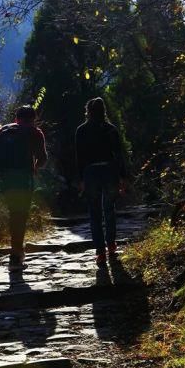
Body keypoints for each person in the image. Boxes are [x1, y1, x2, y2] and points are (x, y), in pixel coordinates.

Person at [0, 105, 48, 270]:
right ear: (33, 118)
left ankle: (16, 254)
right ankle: (15, 257)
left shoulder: (2, 131)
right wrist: (34, 167)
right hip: (24, 180)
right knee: (20, 216)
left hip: (6, 181)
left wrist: (3, 172)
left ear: (16, 118)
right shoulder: (34, 132)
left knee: (14, 214)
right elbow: (42, 158)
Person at [75, 96, 128, 266]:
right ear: (103, 111)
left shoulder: (81, 130)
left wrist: (80, 178)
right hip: (109, 171)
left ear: (88, 112)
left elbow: (79, 157)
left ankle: (100, 252)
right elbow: (119, 155)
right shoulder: (110, 129)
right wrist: (122, 177)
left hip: (90, 173)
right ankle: (111, 245)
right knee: (109, 210)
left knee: (95, 213)